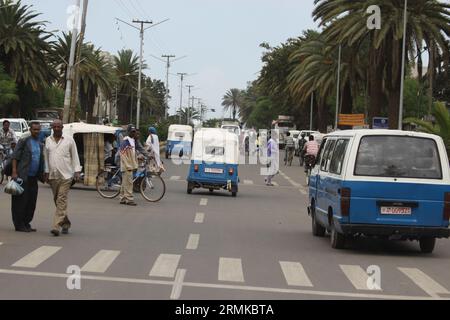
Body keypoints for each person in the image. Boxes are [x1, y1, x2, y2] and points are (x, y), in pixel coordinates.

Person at [44, 120, 82, 237]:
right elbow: (46, 157)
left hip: (66, 175)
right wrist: (46, 172)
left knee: (61, 199)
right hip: (53, 176)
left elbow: (74, 155)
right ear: (52, 127)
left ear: (62, 127)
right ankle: (65, 223)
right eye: (54, 127)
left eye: (58, 127)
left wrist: (77, 170)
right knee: (57, 200)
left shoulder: (69, 139)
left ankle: (56, 226)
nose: (56, 128)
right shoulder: (48, 140)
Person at [10, 122, 45, 232]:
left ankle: (26, 222)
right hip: (22, 176)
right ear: (30, 130)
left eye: (38, 130)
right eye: (34, 129)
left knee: (31, 202)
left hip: (33, 177)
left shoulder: (40, 143)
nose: (37, 131)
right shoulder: (24, 141)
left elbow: (40, 160)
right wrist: (14, 172)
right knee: (20, 202)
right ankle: (19, 224)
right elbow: (15, 157)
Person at [119, 126, 138, 206]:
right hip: (127, 166)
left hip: (130, 164)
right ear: (128, 132)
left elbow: (133, 152)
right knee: (129, 183)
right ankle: (129, 199)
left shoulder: (132, 141)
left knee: (124, 183)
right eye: (132, 131)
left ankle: (122, 198)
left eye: (134, 131)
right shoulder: (125, 141)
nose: (134, 133)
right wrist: (128, 165)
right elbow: (122, 154)